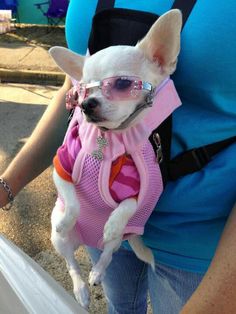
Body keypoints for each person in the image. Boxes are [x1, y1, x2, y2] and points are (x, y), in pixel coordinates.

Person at [0, 0, 235, 313]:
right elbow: (77, 89)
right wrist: (6, 185)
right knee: (119, 306)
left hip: (199, 239)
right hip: (99, 214)